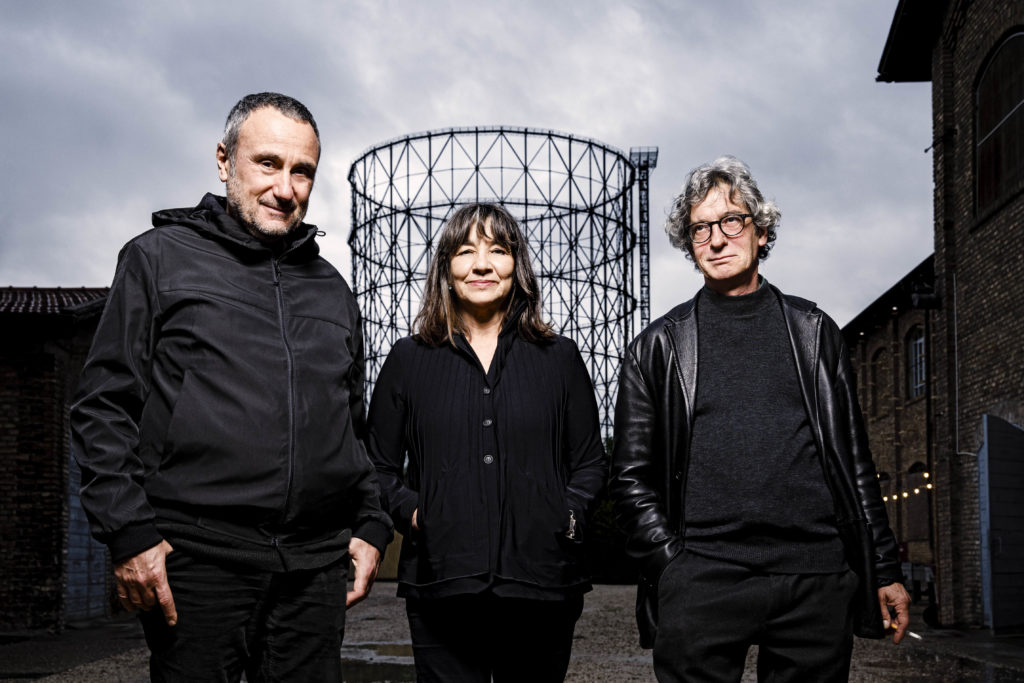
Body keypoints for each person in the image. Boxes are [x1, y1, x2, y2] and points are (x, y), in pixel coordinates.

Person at [70, 92, 392, 682]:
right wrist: (129, 533)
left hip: (314, 569)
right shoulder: (157, 259)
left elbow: (352, 428)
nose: (285, 188)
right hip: (198, 562)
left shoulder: (331, 289)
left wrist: (372, 525)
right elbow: (103, 407)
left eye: (302, 171)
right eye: (267, 163)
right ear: (224, 160)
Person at [609, 156, 911, 682]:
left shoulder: (814, 332)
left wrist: (883, 567)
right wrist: (672, 565)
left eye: (731, 220)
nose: (716, 239)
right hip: (703, 576)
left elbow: (855, 462)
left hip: (814, 577)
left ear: (761, 231)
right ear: (690, 244)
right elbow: (630, 477)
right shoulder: (657, 348)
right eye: (700, 228)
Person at [366, 202, 608, 682]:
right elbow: (376, 465)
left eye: (497, 250)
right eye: (465, 251)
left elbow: (590, 463)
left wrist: (566, 515)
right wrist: (415, 514)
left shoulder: (560, 358)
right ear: (446, 268)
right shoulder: (408, 359)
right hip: (441, 581)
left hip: (543, 581)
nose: (481, 265)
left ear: (517, 266)